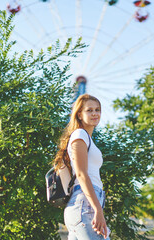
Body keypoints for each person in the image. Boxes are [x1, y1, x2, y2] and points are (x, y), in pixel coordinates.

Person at [53, 94, 110, 240]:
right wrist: (98, 210)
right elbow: (81, 174)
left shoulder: (86, 138)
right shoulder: (80, 135)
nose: (95, 113)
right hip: (85, 205)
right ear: (79, 114)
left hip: (84, 206)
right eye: (89, 110)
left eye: (97, 110)